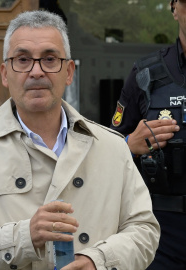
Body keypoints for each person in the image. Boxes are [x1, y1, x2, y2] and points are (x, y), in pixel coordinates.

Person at [0, 10, 159, 270]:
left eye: (50, 59)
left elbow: (144, 231)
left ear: (69, 71)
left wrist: (98, 262)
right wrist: (23, 237)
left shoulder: (112, 147)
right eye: (23, 59)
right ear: (5, 74)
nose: (36, 71)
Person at [110, 1, 186, 269]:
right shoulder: (146, 73)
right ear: (174, 8)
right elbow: (107, 149)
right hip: (161, 228)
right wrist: (130, 143)